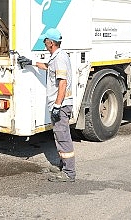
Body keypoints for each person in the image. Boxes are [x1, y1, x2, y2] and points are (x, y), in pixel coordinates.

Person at [35, 28, 76, 183]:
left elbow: (63, 83)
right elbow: (48, 67)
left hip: (62, 105)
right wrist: (31, 62)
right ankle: (62, 165)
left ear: (51, 42)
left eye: (45, 41)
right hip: (60, 104)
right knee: (59, 136)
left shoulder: (59, 59)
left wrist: (57, 106)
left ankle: (69, 172)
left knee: (63, 137)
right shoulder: (57, 56)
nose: (44, 43)